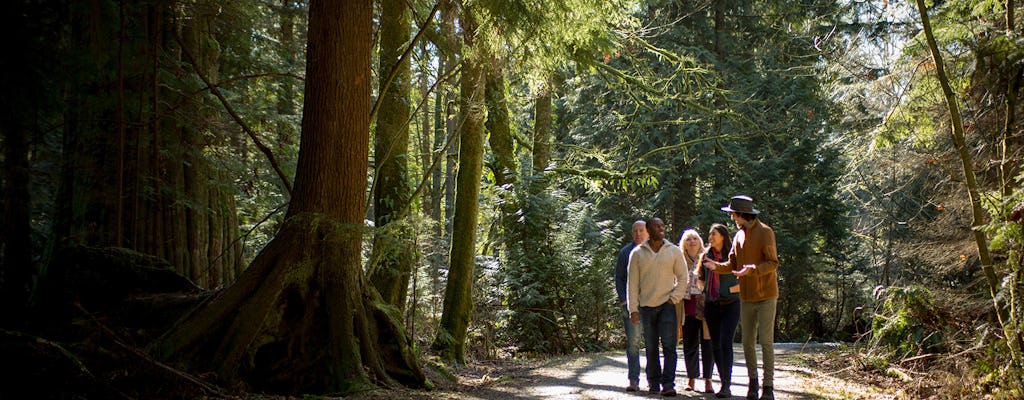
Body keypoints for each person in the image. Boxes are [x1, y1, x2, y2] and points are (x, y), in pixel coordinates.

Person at [703, 195, 779, 400]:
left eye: (733, 214)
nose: (732, 218)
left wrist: (753, 269)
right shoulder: (738, 236)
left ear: (741, 214)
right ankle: (752, 384)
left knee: (765, 341)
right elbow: (731, 265)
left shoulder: (765, 232)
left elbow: (773, 263)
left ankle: (768, 387)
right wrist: (716, 267)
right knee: (747, 342)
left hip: (766, 295)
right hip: (746, 297)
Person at [628, 217, 687, 397]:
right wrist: (633, 309)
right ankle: (654, 383)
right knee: (651, 347)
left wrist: (674, 298)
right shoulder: (637, 253)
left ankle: (668, 384)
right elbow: (632, 284)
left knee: (669, 346)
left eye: (662, 225)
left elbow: (683, 277)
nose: (661, 228)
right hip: (646, 308)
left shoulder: (674, 251)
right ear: (649, 229)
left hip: (667, 306)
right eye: (657, 226)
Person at [702, 223, 742, 399]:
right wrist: (706, 291)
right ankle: (723, 381)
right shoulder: (706, 255)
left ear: (724, 236)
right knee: (716, 344)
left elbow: (744, 277)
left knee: (726, 342)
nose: (711, 237)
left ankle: (727, 384)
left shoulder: (733, 255)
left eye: (714, 234)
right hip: (712, 305)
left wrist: (732, 290)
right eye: (710, 234)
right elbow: (701, 278)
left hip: (731, 304)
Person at [678, 229, 714, 394]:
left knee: (707, 343)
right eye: (688, 239)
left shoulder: (707, 257)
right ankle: (691, 378)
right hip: (687, 305)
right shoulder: (678, 259)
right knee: (690, 343)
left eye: (694, 238)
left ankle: (708, 380)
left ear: (700, 241)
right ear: (684, 244)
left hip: (705, 305)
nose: (691, 241)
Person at [614, 220, 648, 392]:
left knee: (651, 343)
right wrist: (623, 300)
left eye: (641, 230)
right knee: (633, 344)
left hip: (651, 304)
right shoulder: (625, 252)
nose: (638, 233)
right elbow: (619, 278)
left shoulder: (654, 251)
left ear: (647, 232)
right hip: (631, 305)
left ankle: (653, 379)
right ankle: (633, 380)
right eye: (635, 230)